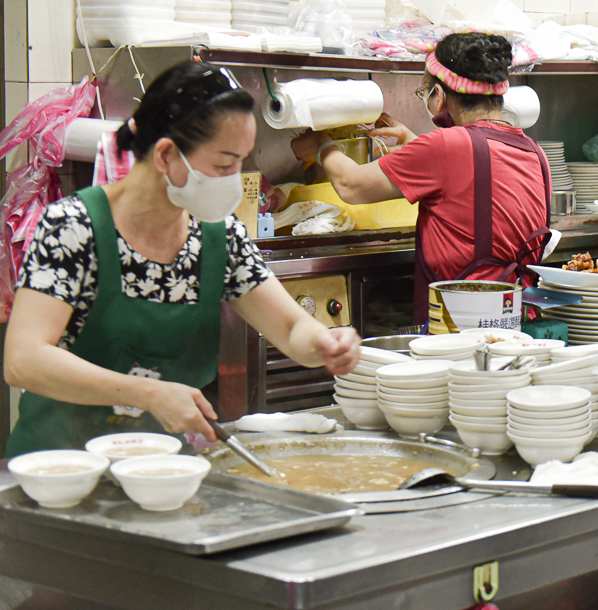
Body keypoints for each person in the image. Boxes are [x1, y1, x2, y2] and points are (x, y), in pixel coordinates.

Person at [3, 63, 361, 456]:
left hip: (160, 472)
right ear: (167, 154)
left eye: (242, 161)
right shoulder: (74, 227)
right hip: (60, 472)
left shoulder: (219, 238)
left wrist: (325, 343)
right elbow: (24, 359)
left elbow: (291, 329)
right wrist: (148, 394)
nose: (235, 178)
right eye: (224, 165)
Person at [291, 32, 551, 328]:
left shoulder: (445, 146)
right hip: (517, 317)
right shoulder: (533, 150)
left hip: (461, 323)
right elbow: (476, 180)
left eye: (424, 92)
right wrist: (414, 143)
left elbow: (351, 185)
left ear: (438, 96)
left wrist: (321, 145)